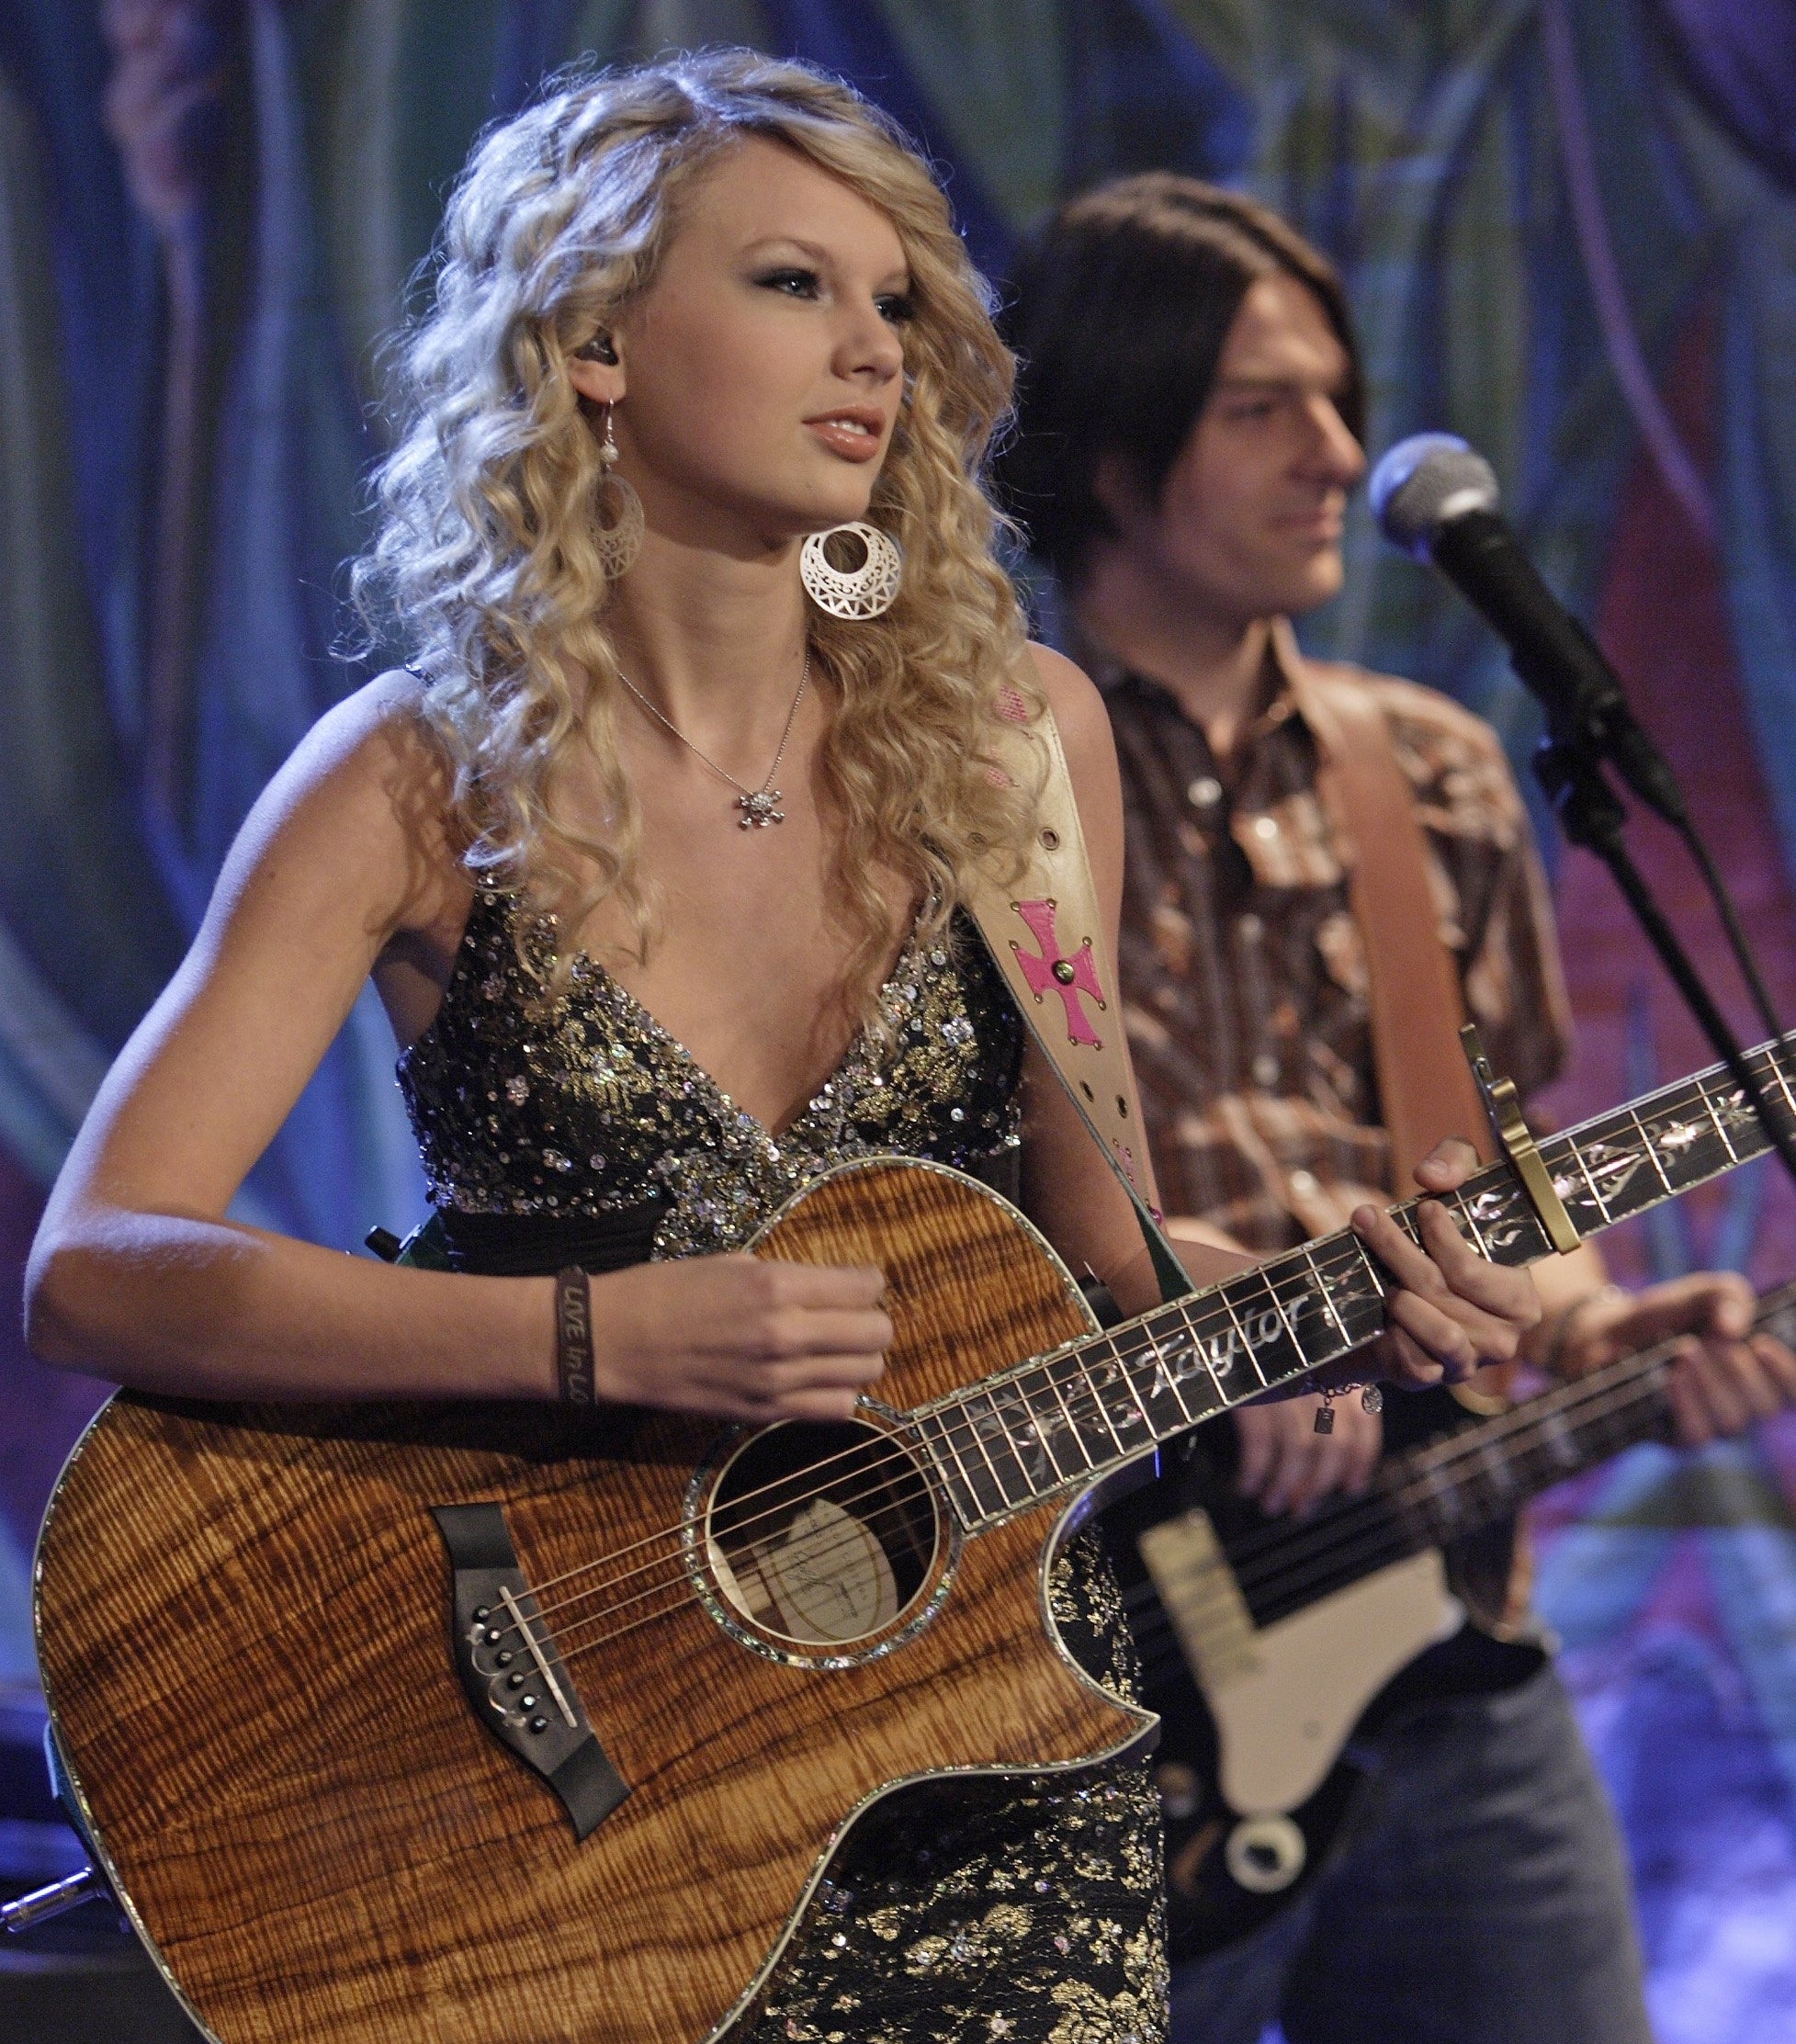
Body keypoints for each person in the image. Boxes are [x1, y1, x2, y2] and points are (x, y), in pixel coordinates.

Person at [25, 63, 1545, 2043]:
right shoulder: (418, 780)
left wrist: (1345, 1302)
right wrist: (599, 1337)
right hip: (577, 1805)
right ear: (589, 348)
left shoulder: (1014, 743)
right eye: (789, 285)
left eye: (897, 301)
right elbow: (97, 1262)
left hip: (981, 1766)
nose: (872, 351)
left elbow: (1109, 1256)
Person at [1000, 172, 1796, 2044]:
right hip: (1076, 1663)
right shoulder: (973, 779)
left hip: (1441, 1633)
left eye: (1340, 400)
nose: (1337, 455)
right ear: (1112, 450)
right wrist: (1214, 1365)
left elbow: (1507, 1185)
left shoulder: (1428, 771)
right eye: (1261, 408)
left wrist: (1611, 1322)